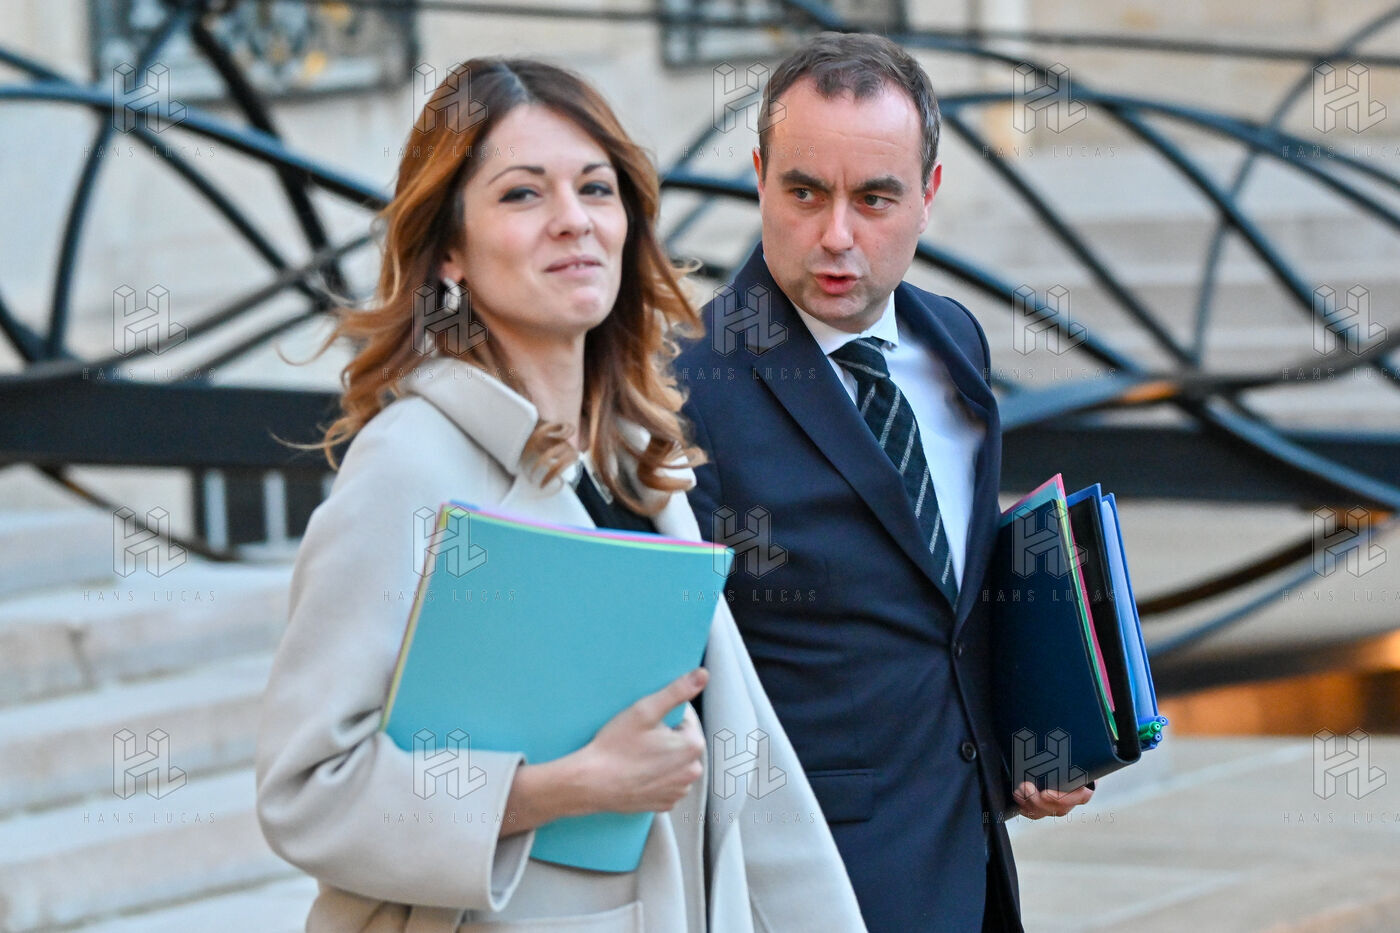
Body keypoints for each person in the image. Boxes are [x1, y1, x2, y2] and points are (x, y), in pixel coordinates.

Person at [255, 57, 867, 933]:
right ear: (450, 250)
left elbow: (746, 775)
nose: (574, 219)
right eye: (521, 194)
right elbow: (306, 790)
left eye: (595, 188)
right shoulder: (408, 465)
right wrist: (563, 787)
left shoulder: (637, 459)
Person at [676, 33, 1094, 933]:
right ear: (759, 178)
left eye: (874, 198)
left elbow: (943, 609)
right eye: (804, 193)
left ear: (928, 195)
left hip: (975, 868)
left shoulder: (954, 339)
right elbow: (678, 679)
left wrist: (1032, 739)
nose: (837, 235)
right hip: (813, 889)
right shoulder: (687, 384)